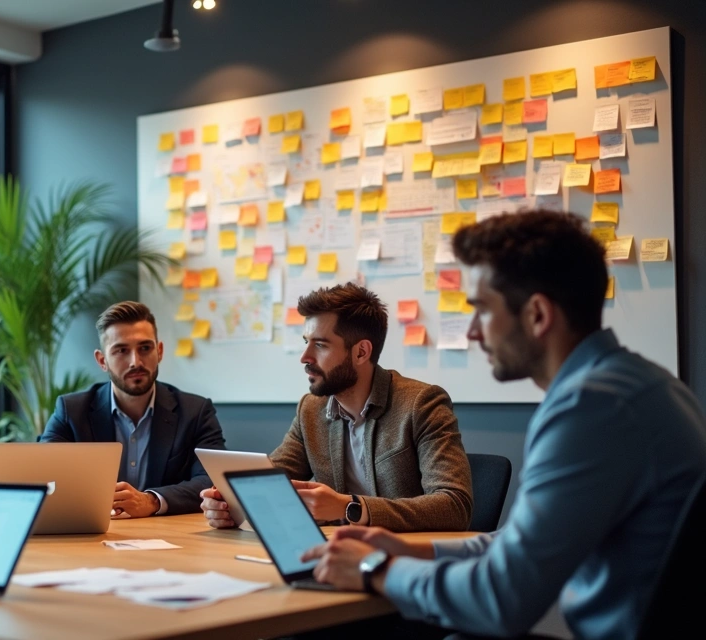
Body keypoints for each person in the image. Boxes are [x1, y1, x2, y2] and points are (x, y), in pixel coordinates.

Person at [302, 210, 706, 639]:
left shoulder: (591, 409)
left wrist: (375, 569)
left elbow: (500, 599)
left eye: (482, 310)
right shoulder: (642, 385)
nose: (473, 332)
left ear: (536, 315)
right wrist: (414, 551)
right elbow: (516, 542)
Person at [201, 283, 473, 532]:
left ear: (361, 352)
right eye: (306, 342)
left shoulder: (421, 403)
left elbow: (454, 506)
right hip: (339, 553)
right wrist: (228, 504)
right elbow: (270, 481)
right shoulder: (311, 409)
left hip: (408, 558)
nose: (305, 358)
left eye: (320, 345)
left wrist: (349, 507)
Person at [41, 301, 227, 516]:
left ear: (159, 351)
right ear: (102, 361)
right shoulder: (71, 411)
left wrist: (152, 501)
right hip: (92, 534)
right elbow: (45, 475)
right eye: (121, 351)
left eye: (145, 348)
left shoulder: (195, 411)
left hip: (170, 537)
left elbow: (211, 480)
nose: (135, 362)